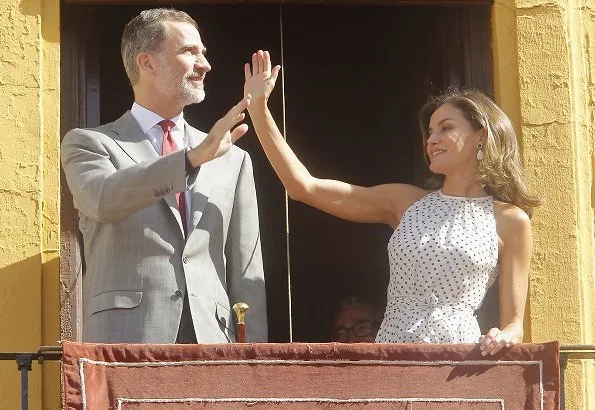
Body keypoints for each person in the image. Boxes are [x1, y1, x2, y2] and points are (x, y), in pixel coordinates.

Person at [244, 50, 541, 355]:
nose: (431, 139)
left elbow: (514, 324)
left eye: (446, 128)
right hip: (395, 351)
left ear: (481, 136)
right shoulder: (405, 201)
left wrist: (505, 335)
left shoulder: (511, 220)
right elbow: (303, 187)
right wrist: (259, 109)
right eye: (430, 132)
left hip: (459, 360)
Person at [61, 9, 267, 344]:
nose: (205, 64)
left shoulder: (233, 157)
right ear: (147, 63)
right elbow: (99, 198)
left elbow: (248, 271)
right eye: (190, 52)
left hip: (212, 344)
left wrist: (255, 363)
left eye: (203, 53)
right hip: (126, 342)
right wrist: (188, 161)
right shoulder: (89, 143)